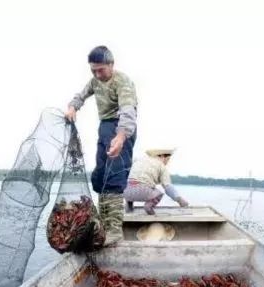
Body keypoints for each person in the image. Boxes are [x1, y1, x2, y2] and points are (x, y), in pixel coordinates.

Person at [65, 46, 138, 246]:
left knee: (114, 176)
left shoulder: (122, 82)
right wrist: (72, 107)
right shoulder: (94, 81)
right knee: (100, 176)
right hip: (105, 127)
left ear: (111, 65)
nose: (97, 74)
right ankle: (103, 224)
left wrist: (121, 137)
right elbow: (80, 95)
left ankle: (114, 231)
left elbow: (128, 112)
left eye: (101, 70)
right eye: (93, 70)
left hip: (122, 127)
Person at [123, 148, 189, 215]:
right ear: (162, 156)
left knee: (131, 184)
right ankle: (148, 206)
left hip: (126, 192)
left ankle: (129, 206)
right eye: (168, 159)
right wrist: (179, 200)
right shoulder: (161, 165)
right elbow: (168, 187)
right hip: (143, 191)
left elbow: (128, 176)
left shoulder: (139, 160)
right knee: (159, 193)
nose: (167, 162)